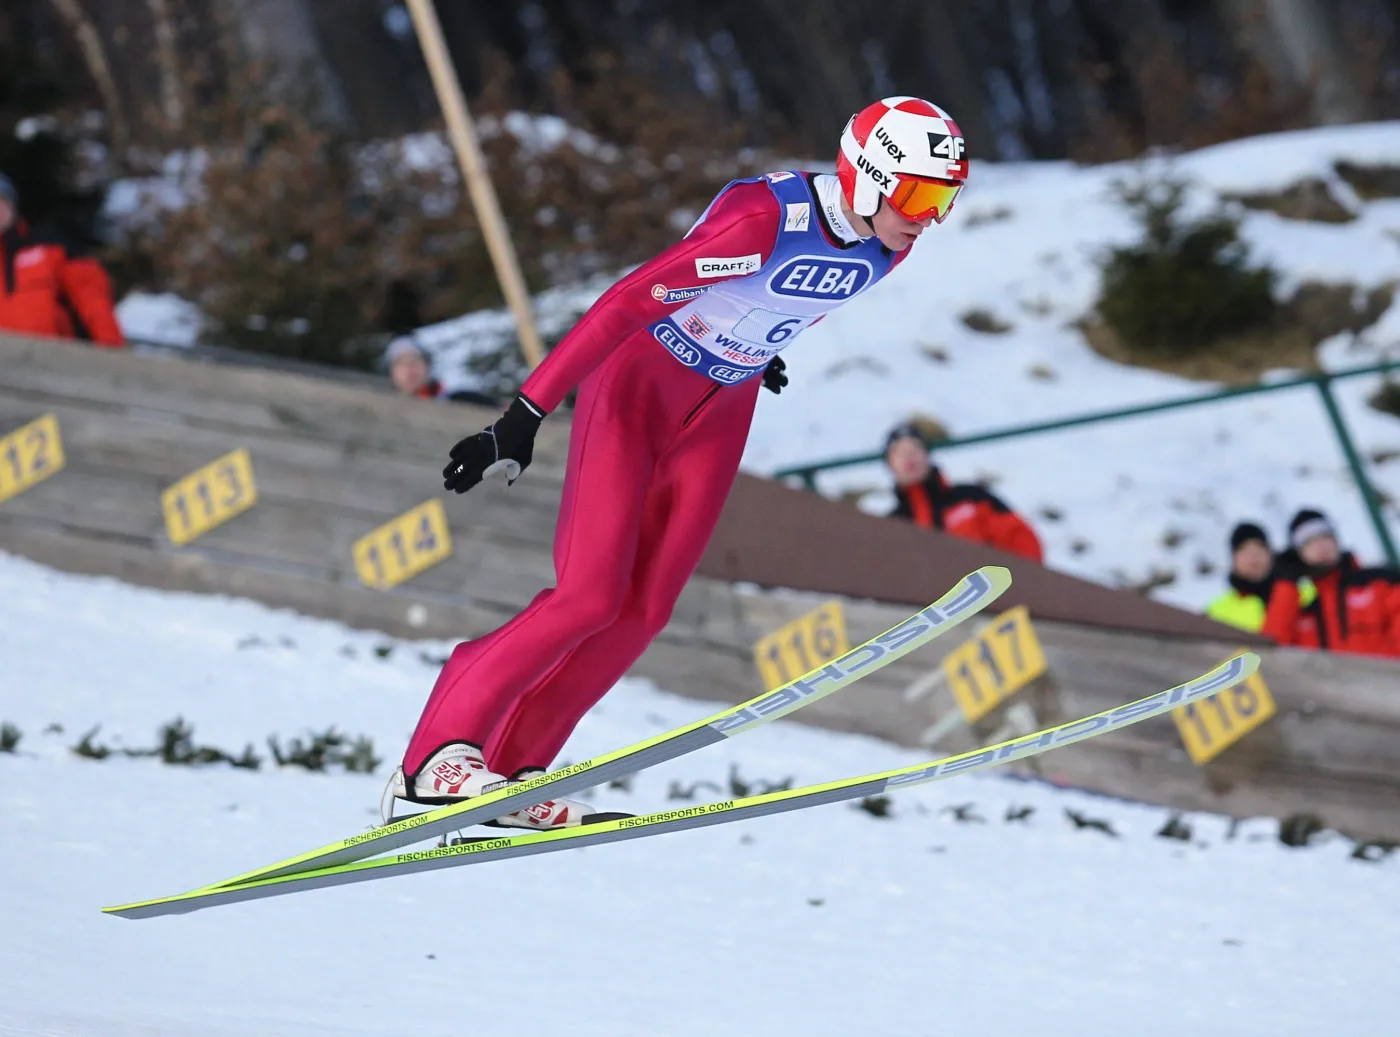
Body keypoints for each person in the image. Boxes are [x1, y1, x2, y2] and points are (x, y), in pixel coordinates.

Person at [382, 97, 969, 829]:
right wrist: (525, 413)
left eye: (945, 196)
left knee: (643, 611)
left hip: (722, 403)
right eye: (918, 193)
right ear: (870, 176)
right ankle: (433, 760)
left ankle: (515, 770)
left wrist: (762, 341)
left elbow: (785, 293)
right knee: (589, 594)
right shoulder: (764, 220)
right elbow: (626, 301)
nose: (928, 216)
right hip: (637, 384)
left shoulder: (892, 242)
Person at [883, 423, 1043, 563]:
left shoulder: (971, 498)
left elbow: (1022, 541)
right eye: (899, 452)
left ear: (927, 455)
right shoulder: (892, 524)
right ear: (890, 462)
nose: (909, 457)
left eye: (915, 449)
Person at [0, 171, 124, 347]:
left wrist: (112, 355)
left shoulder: (52, 250)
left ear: (11, 206)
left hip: (52, 362)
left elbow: (95, 305)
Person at [1263, 508, 1400, 657]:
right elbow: (1272, 649)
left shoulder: (1380, 583)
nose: (1320, 545)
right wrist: (1286, 583)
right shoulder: (1305, 611)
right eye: (1308, 541)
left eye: (1325, 536)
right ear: (1298, 554)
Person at [384, 335, 497, 406]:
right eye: (402, 363)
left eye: (415, 360)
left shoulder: (460, 399)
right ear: (391, 372)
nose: (409, 368)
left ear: (427, 365)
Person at [1206, 522, 1277, 632]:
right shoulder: (1216, 612)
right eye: (1244, 549)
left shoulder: (1299, 595)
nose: (1254, 556)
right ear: (1233, 559)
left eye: (1259, 548)